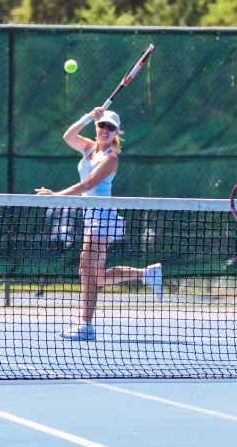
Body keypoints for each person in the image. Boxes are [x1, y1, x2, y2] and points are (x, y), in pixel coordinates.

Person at [36, 107, 163, 341]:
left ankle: (85, 325)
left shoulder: (110, 158)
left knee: (87, 273)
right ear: (97, 127)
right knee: (95, 275)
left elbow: (87, 186)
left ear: (116, 133)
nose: (105, 130)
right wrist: (87, 117)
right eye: (102, 125)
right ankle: (146, 274)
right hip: (92, 216)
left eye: (110, 127)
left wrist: (56, 196)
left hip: (102, 217)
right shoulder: (88, 148)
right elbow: (68, 136)